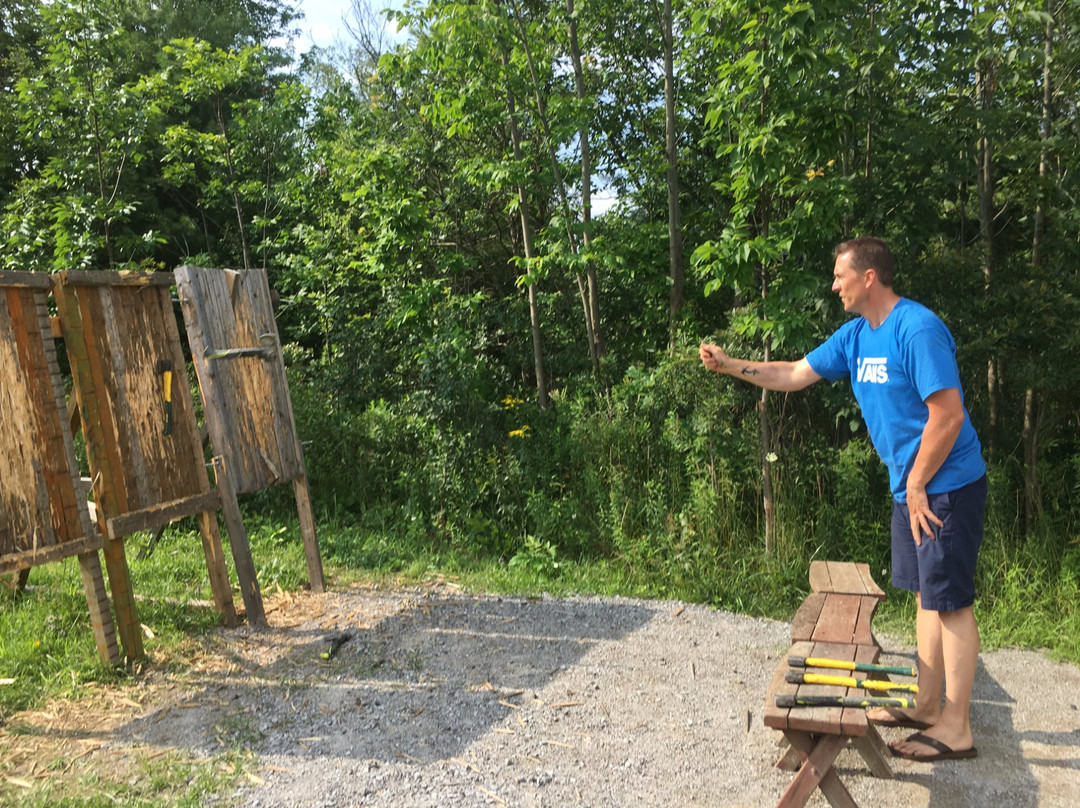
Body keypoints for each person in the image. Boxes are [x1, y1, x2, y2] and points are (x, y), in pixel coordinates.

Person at [700, 236, 987, 762]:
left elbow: (948, 415)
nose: (834, 285)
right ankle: (926, 707)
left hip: (946, 487)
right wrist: (729, 365)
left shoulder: (915, 329)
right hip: (914, 487)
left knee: (951, 601)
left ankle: (957, 726)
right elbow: (792, 373)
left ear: (869, 276)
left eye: (840, 275)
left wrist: (920, 483)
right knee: (926, 594)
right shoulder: (856, 336)